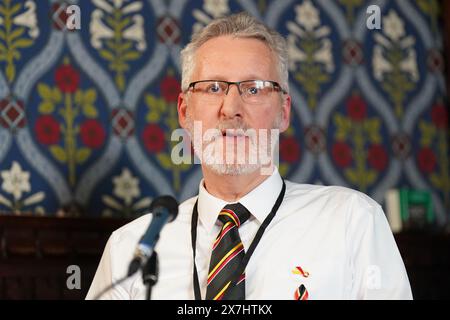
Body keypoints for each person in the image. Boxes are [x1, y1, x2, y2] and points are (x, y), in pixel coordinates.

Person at [86, 12, 412, 300]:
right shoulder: (130, 250)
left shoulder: (353, 221)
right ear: (185, 112)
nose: (231, 109)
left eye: (254, 89)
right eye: (213, 88)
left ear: (283, 112)